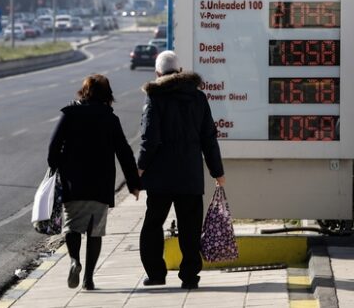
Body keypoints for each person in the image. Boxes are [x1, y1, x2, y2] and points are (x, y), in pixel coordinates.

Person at [137, 50, 225, 290]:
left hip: (161, 178)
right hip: (190, 176)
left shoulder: (154, 98)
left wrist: (140, 169)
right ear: (180, 70)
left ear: (158, 73)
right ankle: (189, 277)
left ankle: (156, 273)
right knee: (190, 228)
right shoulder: (198, 98)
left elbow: (149, 140)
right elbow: (209, 137)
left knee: (153, 225)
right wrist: (217, 172)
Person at [48, 74, 141, 290]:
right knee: (95, 231)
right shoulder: (110, 118)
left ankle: (74, 260)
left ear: (84, 91)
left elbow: (53, 147)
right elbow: (124, 152)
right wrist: (133, 183)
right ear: (107, 94)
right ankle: (89, 278)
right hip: (100, 184)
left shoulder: (69, 114)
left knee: (72, 226)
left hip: (73, 182)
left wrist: (57, 166)